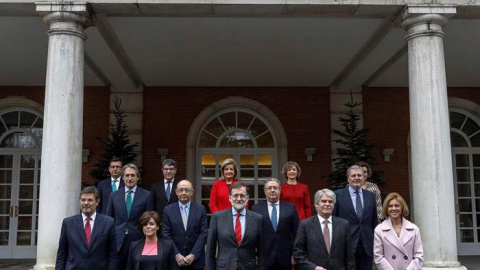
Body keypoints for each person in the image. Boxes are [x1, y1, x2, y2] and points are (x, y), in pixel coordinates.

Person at [55, 186, 117, 270]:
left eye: (90, 200)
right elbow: (62, 253)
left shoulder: (108, 223)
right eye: (83, 200)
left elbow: (112, 254)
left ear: (97, 202)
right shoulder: (68, 223)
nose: (86, 203)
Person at [206, 181, 264, 270]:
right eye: (235, 195)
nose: (239, 198)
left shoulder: (257, 219)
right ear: (230, 198)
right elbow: (210, 249)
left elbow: (262, 251)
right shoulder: (217, 217)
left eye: (242, 195)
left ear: (247, 198)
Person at [106, 163, 154, 270]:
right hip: (118, 240)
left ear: (138, 177)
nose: (130, 178)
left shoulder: (146, 195)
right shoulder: (114, 196)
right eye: (127, 175)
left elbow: (149, 219)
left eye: (133, 175)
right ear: (122, 177)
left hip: (138, 239)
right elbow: (109, 219)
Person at [293, 189, 354, 270]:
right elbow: (297, 254)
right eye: (324, 201)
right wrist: (313, 267)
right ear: (316, 204)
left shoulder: (344, 224)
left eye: (330, 201)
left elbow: (350, 256)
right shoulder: (305, 225)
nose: (327, 204)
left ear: (334, 205)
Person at [333, 165, 378, 270]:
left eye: (359, 175)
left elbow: (374, 221)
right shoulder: (338, 195)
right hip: (346, 245)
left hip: (366, 245)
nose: (357, 178)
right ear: (348, 178)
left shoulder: (371, 196)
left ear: (363, 177)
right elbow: (334, 220)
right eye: (353, 175)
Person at [251, 178, 299, 270]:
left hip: (286, 257)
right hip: (264, 257)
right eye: (269, 188)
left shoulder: (290, 208)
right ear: (265, 191)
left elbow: (297, 233)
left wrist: (295, 254)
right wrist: (254, 255)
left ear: (280, 190)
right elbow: (253, 235)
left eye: (275, 188)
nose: (272, 190)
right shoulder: (255, 209)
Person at [162, 180, 208, 270]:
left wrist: (193, 254)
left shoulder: (200, 209)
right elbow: (166, 234)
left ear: (192, 192)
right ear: (176, 192)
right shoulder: (168, 210)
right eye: (181, 190)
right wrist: (177, 254)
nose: (183, 193)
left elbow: (204, 233)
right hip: (175, 260)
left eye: (187, 190)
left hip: (196, 260)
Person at [374, 192, 424, 270]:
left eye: (397, 206)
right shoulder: (379, 230)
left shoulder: (414, 229)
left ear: (402, 208)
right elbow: (378, 257)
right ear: (387, 209)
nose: (394, 208)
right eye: (390, 206)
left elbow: (419, 257)